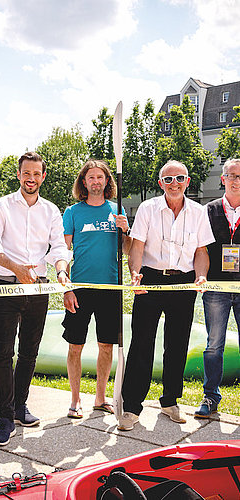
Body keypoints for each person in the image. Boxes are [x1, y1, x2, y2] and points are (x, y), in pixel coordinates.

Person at [118, 160, 214, 431]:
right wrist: (135, 273)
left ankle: (170, 400)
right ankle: (132, 407)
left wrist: (201, 275)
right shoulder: (148, 208)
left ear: (187, 181)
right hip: (149, 281)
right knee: (141, 344)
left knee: (177, 343)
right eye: (168, 180)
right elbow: (137, 247)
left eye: (179, 178)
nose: (174, 184)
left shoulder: (197, 212)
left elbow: (201, 253)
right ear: (161, 184)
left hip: (183, 283)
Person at [0, 151, 70, 446]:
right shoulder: (2, 205)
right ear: (19, 174)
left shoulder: (50, 210)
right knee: (3, 353)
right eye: (26, 173)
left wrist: (61, 271)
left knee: (29, 352)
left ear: (42, 176)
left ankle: (20, 406)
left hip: (39, 288)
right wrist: (15, 268)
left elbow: (58, 247)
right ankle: (4, 417)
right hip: (5, 286)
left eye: (37, 174)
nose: (31, 178)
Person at [62, 159, 132, 419]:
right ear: (83, 182)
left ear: (106, 181)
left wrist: (125, 230)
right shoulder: (72, 212)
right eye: (90, 177)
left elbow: (127, 249)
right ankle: (75, 399)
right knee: (75, 345)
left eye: (99, 177)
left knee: (106, 346)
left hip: (110, 288)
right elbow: (63, 254)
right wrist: (66, 289)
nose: (95, 182)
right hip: (79, 289)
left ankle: (100, 398)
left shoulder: (117, 210)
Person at [195, 158, 240, 418]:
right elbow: (200, 249)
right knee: (214, 344)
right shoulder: (208, 210)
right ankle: (211, 396)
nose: (236, 181)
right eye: (231, 175)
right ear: (222, 179)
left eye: (239, 176)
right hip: (216, 288)